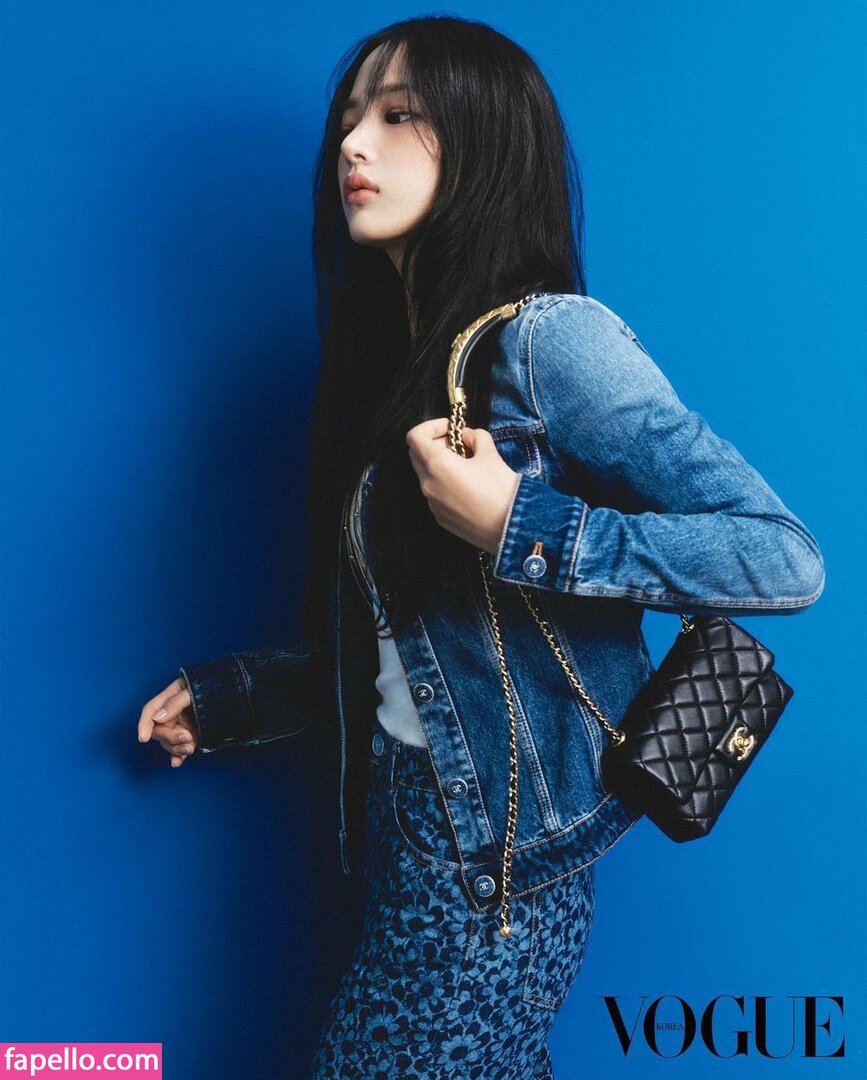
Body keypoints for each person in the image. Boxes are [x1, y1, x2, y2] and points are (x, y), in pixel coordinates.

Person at [136, 15, 826, 1078]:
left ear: (487, 142)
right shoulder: (395, 370)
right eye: (351, 118)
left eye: (399, 115)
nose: (352, 144)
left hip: (494, 868)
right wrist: (234, 699)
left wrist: (519, 528)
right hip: (412, 837)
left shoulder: (548, 342)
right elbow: (417, 652)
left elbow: (782, 556)